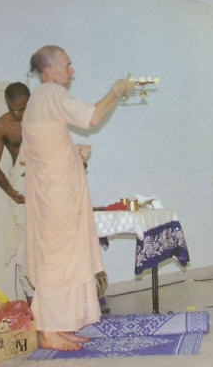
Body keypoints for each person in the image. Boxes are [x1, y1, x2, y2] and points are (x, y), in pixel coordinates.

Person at [22, 45, 133, 351]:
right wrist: (116, 90)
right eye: (67, 66)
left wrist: (73, 152)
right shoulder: (50, 93)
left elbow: (39, 152)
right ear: (48, 71)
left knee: (64, 259)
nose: (72, 71)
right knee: (58, 261)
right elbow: (92, 117)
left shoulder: (39, 100)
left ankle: (57, 326)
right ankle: (48, 331)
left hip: (56, 193)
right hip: (57, 196)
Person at [0, 82, 34, 301]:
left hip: (46, 184)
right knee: (26, 253)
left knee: (51, 247)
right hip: (21, 186)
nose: (17, 114)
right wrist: (11, 191)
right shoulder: (1, 125)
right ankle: (34, 310)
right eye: (12, 109)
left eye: (22, 109)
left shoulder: (41, 120)